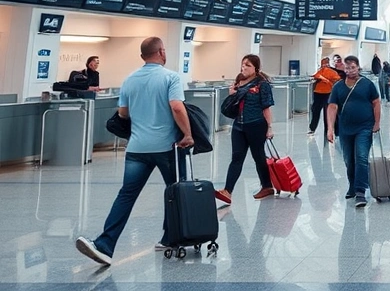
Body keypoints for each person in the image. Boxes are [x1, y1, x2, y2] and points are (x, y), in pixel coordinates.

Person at [75, 37, 192, 266]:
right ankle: (171, 238)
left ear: (142, 57)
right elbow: (177, 107)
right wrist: (188, 134)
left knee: (126, 195)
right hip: (166, 147)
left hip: (137, 148)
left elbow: (123, 114)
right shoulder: (170, 77)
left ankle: (104, 245)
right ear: (161, 51)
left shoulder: (129, 79)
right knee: (175, 192)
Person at [215, 54, 275, 204]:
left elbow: (266, 108)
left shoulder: (262, 84)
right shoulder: (238, 82)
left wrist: (269, 128)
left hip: (256, 124)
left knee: (258, 156)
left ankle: (267, 186)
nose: (244, 68)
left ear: (256, 68)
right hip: (239, 126)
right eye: (243, 65)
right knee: (236, 158)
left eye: (248, 65)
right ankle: (228, 191)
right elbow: (231, 105)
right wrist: (231, 95)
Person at [327, 56, 381, 208]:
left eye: (352, 67)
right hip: (345, 128)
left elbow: (376, 103)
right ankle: (352, 185)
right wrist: (330, 128)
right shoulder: (338, 86)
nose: (350, 70)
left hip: (364, 127)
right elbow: (332, 107)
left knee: (361, 157)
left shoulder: (367, 84)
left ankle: (360, 191)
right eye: (347, 68)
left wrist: (377, 123)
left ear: (358, 67)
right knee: (349, 160)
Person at [310, 57, 341, 139]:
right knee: (316, 111)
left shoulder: (332, 72)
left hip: (327, 93)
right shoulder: (321, 71)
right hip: (319, 93)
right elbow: (316, 75)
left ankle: (333, 130)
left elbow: (337, 79)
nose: (324, 65)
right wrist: (323, 79)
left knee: (327, 112)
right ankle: (313, 128)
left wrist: (326, 80)